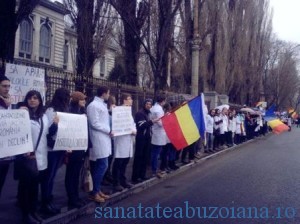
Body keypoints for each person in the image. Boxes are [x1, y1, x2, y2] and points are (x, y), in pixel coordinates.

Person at [17, 90, 49, 224]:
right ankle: (26, 215)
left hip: (40, 157)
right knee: (25, 188)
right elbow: (16, 132)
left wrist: (57, 125)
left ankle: (33, 211)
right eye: (29, 98)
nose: (32, 100)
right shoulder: (21, 114)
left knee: (35, 187)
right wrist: (19, 112)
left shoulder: (44, 116)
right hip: (27, 157)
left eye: (35, 98)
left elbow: (47, 133)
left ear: (40, 101)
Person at [41, 88, 70, 215]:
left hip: (59, 147)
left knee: (52, 176)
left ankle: (48, 200)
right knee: (49, 176)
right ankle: (45, 202)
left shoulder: (63, 110)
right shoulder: (51, 110)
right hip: (51, 149)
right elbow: (47, 132)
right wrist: (56, 124)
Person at [87, 86, 111, 203]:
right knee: (103, 165)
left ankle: (97, 189)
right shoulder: (93, 105)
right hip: (98, 139)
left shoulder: (101, 105)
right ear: (104, 93)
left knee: (100, 166)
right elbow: (94, 123)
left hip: (104, 138)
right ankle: (94, 192)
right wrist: (108, 130)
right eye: (108, 93)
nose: (109, 95)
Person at [65, 91, 87, 208]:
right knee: (71, 174)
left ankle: (76, 196)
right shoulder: (70, 112)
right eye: (82, 99)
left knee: (76, 174)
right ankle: (71, 198)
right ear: (76, 100)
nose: (84, 101)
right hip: (72, 148)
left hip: (80, 147)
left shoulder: (82, 111)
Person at [112, 93, 136, 191]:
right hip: (121, 140)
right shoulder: (118, 110)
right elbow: (117, 123)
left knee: (125, 161)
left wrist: (134, 130)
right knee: (119, 161)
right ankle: (116, 182)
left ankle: (123, 180)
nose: (131, 100)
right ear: (124, 100)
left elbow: (132, 124)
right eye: (129, 99)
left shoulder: (129, 111)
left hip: (129, 139)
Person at [131, 99, 158, 183]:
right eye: (147, 104)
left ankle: (142, 175)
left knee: (145, 157)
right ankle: (135, 177)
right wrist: (152, 121)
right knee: (138, 157)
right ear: (144, 104)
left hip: (147, 138)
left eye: (150, 104)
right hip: (141, 138)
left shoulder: (148, 113)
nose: (148, 105)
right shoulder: (140, 113)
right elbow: (141, 125)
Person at [0, 75, 12, 198]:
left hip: (6, 151)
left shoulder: (9, 102)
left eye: (8, 86)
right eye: (4, 86)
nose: (7, 88)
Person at [150, 94, 167, 178]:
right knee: (156, 154)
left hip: (155, 132)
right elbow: (161, 123)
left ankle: (154, 169)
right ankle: (154, 170)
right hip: (159, 133)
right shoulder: (159, 110)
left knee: (154, 153)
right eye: (164, 101)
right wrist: (167, 121)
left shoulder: (154, 108)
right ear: (162, 101)